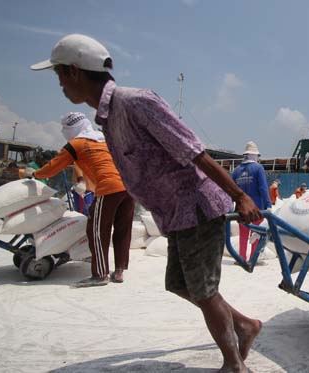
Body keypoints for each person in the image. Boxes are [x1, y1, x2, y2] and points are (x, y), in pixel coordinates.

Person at [31, 34, 262, 373]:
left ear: (75, 71)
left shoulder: (136, 102)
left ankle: (234, 365)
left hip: (196, 206)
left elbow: (194, 151)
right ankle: (244, 325)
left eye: (60, 75)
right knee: (181, 285)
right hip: (174, 214)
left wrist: (240, 196)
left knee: (203, 289)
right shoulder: (108, 119)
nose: (61, 85)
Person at [25, 112, 134, 287]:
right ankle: (119, 270)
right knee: (123, 229)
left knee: (97, 231)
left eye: (65, 129)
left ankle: (100, 274)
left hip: (109, 187)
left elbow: (54, 166)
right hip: (129, 186)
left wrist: (35, 173)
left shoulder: (75, 144)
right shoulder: (104, 139)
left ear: (72, 128)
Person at [231, 141, 271, 261]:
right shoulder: (258, 168)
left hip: (241, 209)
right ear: (254, 155)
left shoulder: (236, 170)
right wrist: (268, 204)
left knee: (243, 235)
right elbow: (263, 188)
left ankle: (241, 257)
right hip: (256, 208)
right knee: (256, 235)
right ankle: (253, 258)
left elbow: (231, 190)